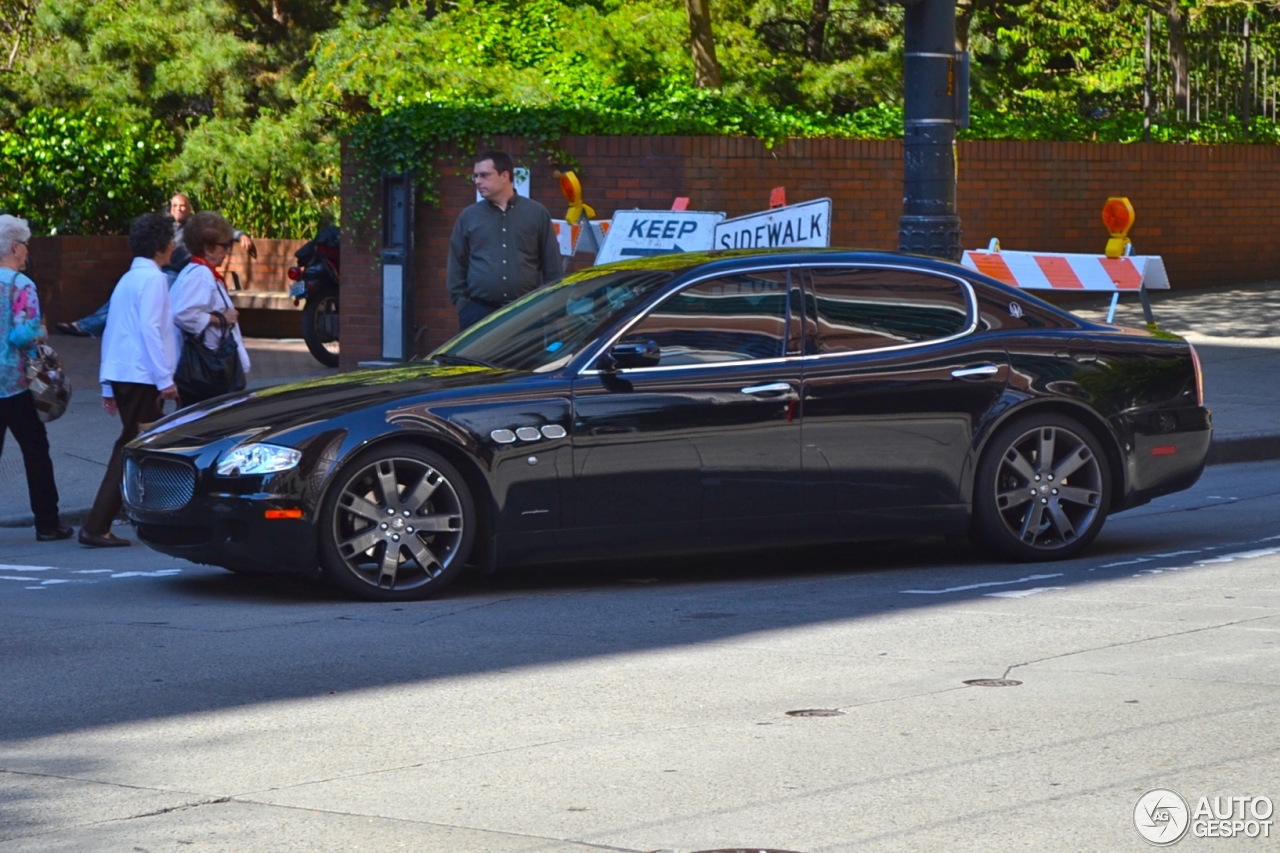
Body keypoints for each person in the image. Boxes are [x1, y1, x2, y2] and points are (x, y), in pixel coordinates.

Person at [79, 213, 180, 548]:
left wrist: (107, 384)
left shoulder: (127, 280)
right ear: (163, 245)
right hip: (143, 376)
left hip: (125, 374)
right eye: (171, 239)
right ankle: (98, 524)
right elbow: (150, 331)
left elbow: (113, 332)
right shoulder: (154, 280)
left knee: (134, 444)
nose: (174, 245)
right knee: (133, 447)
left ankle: (109, 519)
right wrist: (165, 378)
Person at [54, 192, 256, 337]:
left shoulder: (196, 228)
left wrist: (241, 235)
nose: (179, 209)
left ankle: (86, 326)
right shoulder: (165, 227)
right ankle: (86, 325)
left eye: (183, 205)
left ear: (190, 208)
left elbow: (221, 231)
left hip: (177, 272)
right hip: (164, 271)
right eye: (175, 206)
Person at [0, 215, 74, 541]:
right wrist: (40, 330)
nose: (27, 251)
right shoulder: (21, 285)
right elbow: (22, 335)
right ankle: (47, 522)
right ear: (16, 248)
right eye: (25, 245)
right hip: (15, 382)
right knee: (35, 452)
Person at [447, 150, 562, 330]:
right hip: (478, 313)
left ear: (504, 175)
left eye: (484, 175)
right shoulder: (469, 217)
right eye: (475, 176)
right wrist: (463, 305)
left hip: (526, 312)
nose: (477, 181)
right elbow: (456, 264)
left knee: (524, 359)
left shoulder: (536, 213)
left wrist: (547, 304)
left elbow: (552, 265)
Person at [170, 211, 251, 405]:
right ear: (208, 248)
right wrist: (220, 318)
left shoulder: (194, 272)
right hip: (207, 368)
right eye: (224, 246)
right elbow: (183, 314)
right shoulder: (201, 275)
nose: (226, 252)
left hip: (204, 367)